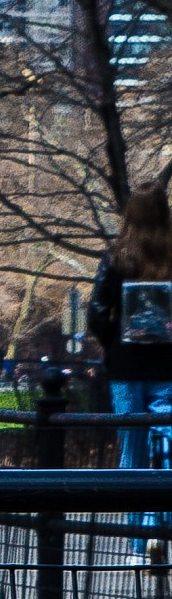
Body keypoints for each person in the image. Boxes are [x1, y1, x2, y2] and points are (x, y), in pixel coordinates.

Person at [87, 178, 172, 559]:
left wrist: (114, 343)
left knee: (132, 454)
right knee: (169, 448)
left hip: (126, 368)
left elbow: (97, 312)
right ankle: (161, 531)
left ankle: (137, 547)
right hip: (169, 366)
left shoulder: (117, 257)